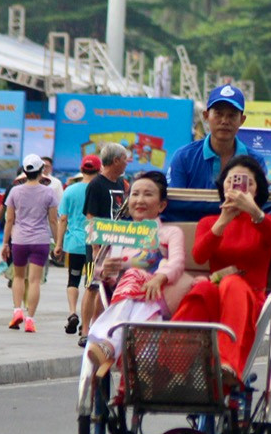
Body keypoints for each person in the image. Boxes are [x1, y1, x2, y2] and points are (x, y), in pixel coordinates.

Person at [172, 156, 271, 380]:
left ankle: (227, 364)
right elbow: (200, 255)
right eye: (231, 181)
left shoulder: (267, 221)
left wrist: (254, 212)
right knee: (201, 291)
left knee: (232, 283)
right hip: (215, 292)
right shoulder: (209, 222)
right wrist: (223, 220)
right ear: (222, 186)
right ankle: (170, 363)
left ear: (256, 189)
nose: (237, 186)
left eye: (246, 182)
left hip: (248, 297)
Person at [84, 171, 187, 376]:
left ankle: (109, 343)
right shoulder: (120, 234)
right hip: (125, 300)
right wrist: (107, 271)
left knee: (133, 275)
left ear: (161, 205)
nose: (140, 200)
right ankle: (119, 347)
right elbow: (100, 273)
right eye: (135, 194)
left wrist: (159, 277)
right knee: (130, 277)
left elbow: (177, 262)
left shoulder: (170, 233)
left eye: (148, 194)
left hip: (158, 295)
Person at [166, 84, 268, 192]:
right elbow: (174, 203)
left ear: (242, 120)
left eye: (232, 115)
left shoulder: (256, 161)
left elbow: (262, 202)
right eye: (218, 114)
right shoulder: (184, 157)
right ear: (206, 116)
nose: (224, 121)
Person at [1, 153, 60, 333]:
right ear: (42, 171)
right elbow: (53, 221)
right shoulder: (49, 192)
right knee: (34, 281)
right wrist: (58, 243)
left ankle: (17, 310)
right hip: (40, 240)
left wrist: (5, 243)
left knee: (18, 277)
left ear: (25, 172)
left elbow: (9, 219)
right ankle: (30, 319)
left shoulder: (15, 191)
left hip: (19, 240)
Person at [80, 142, 130, 343]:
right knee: (92, 286)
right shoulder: (96, 185)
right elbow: (90, 218)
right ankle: (84, 331)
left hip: (115, 245)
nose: (127, 163)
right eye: (125, 159)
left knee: (106, 287)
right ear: (116, 160)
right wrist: (95, 247)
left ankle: (98, 326)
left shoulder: (120, 184)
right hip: (97, 246)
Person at [56, 154, 100, 334]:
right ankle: (87, 322)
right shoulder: (99, 190)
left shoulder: (70, 191)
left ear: (81, 170)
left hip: (73, 244)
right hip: (94, 246)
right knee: (91, 285)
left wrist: (58, 244)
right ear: (98, 171)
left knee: (72, 280)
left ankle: (72, 312)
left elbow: (63, 219)